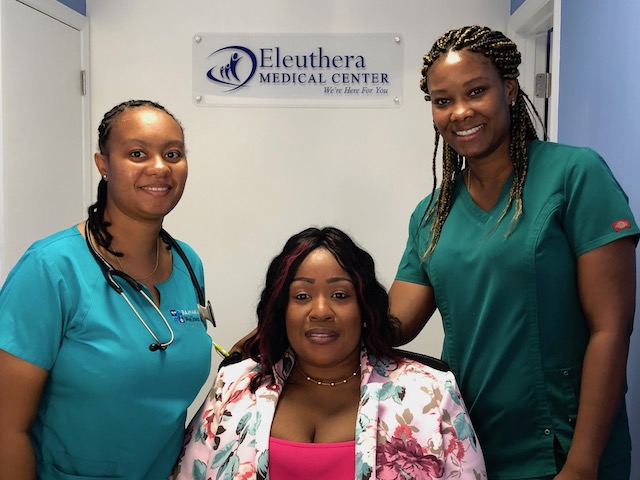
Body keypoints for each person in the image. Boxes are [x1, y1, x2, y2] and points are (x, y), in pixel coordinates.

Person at [389, 25, 638, 480]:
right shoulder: (432, 213)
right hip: (469, 446)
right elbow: (392, 325)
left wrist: (582, 463)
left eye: (477, 91)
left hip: (563, 448)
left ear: (509, 88)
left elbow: (612, 330)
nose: (460, 112)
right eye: (442, 101)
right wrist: (291, 320)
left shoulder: (574, 174)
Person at [0, 100, 213, 479]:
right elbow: (6, 428)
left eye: (172, 154)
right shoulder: (52, 268)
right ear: (103, 165)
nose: (160, 167)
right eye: (137, 153)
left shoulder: (188, 264)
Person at [173, 227, 486, 480]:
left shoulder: (430, 392)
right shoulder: (233, 387)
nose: (321, 311)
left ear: (364, 308)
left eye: (339, 295)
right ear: (282, 310)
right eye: (302, 295)